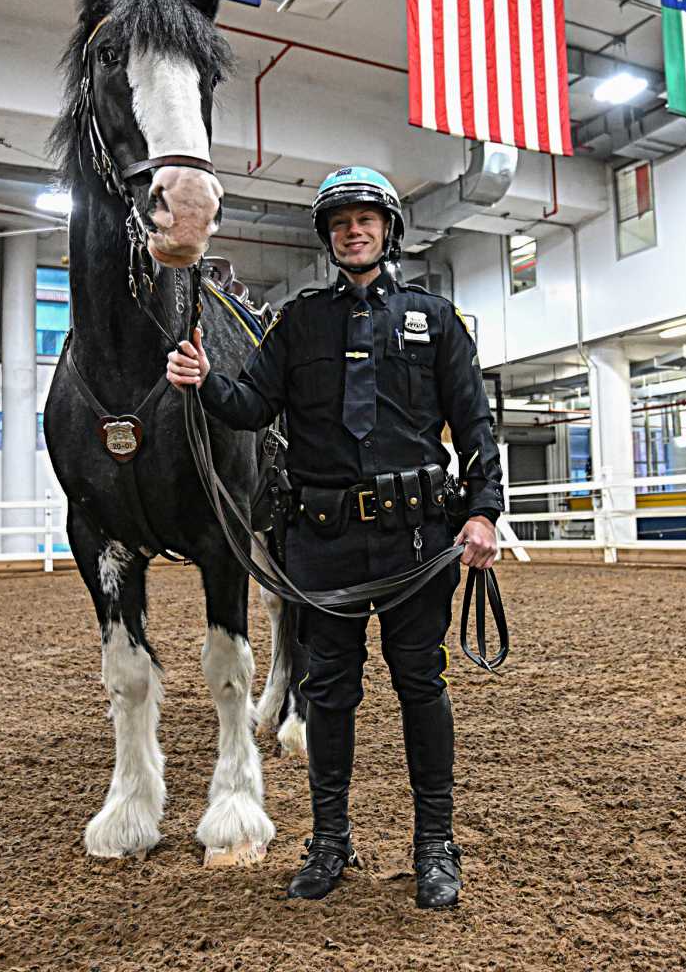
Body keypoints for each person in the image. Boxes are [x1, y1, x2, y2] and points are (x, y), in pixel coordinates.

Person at [166, 165, 503, 910]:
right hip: (321, 539)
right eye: (341, 221)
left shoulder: (436, 318)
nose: (354, 230)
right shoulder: (297, 322)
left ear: (388, 230)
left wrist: (483, 511)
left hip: (418, 541)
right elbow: (251, 405)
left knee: (423, 688)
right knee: (330, 693)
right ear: (327, 237)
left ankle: (434, 846)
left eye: (367, 219)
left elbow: (475, 424)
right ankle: (329, 840)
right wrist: (203, 378)